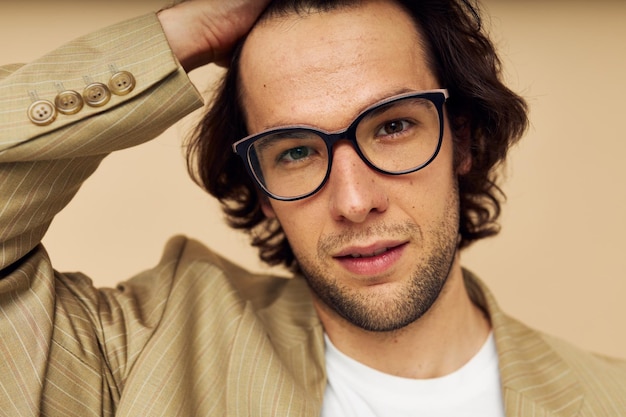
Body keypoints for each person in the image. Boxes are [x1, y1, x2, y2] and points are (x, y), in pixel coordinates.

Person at [0, 0, 624, 416]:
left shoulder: (608, 397)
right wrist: (175, 39)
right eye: (295, 151)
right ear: (260, 188)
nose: (354, 201)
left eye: (392, 127)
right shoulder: (139, 349)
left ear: (461, 139)